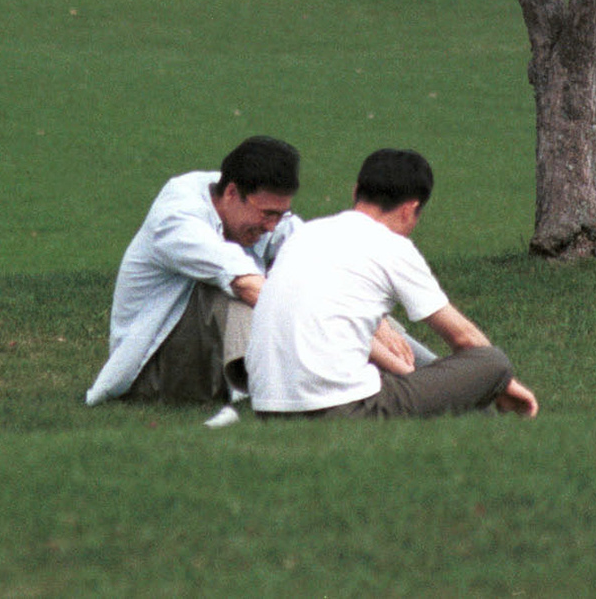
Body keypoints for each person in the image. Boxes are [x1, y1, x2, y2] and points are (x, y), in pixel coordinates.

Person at [245, 147, 540, 420]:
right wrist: (503, 382)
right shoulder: (392, 247)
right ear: (410, 209)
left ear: (356, 191)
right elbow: (464, 339)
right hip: (343, 410)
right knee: (492, 361)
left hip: (268, 407)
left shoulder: (305, 235)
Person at [85, 136, 302, 406]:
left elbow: (311, 255)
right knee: (231, 290)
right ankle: (266, 387)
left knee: (300, 275)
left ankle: (308, 377)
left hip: (199, 355)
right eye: (267, 214)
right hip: (150, 369)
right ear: (232, 194)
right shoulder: (177, 217)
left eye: (280, 215)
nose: (272, 226)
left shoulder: (239, 198)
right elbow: (246, 284)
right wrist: (328, 323)